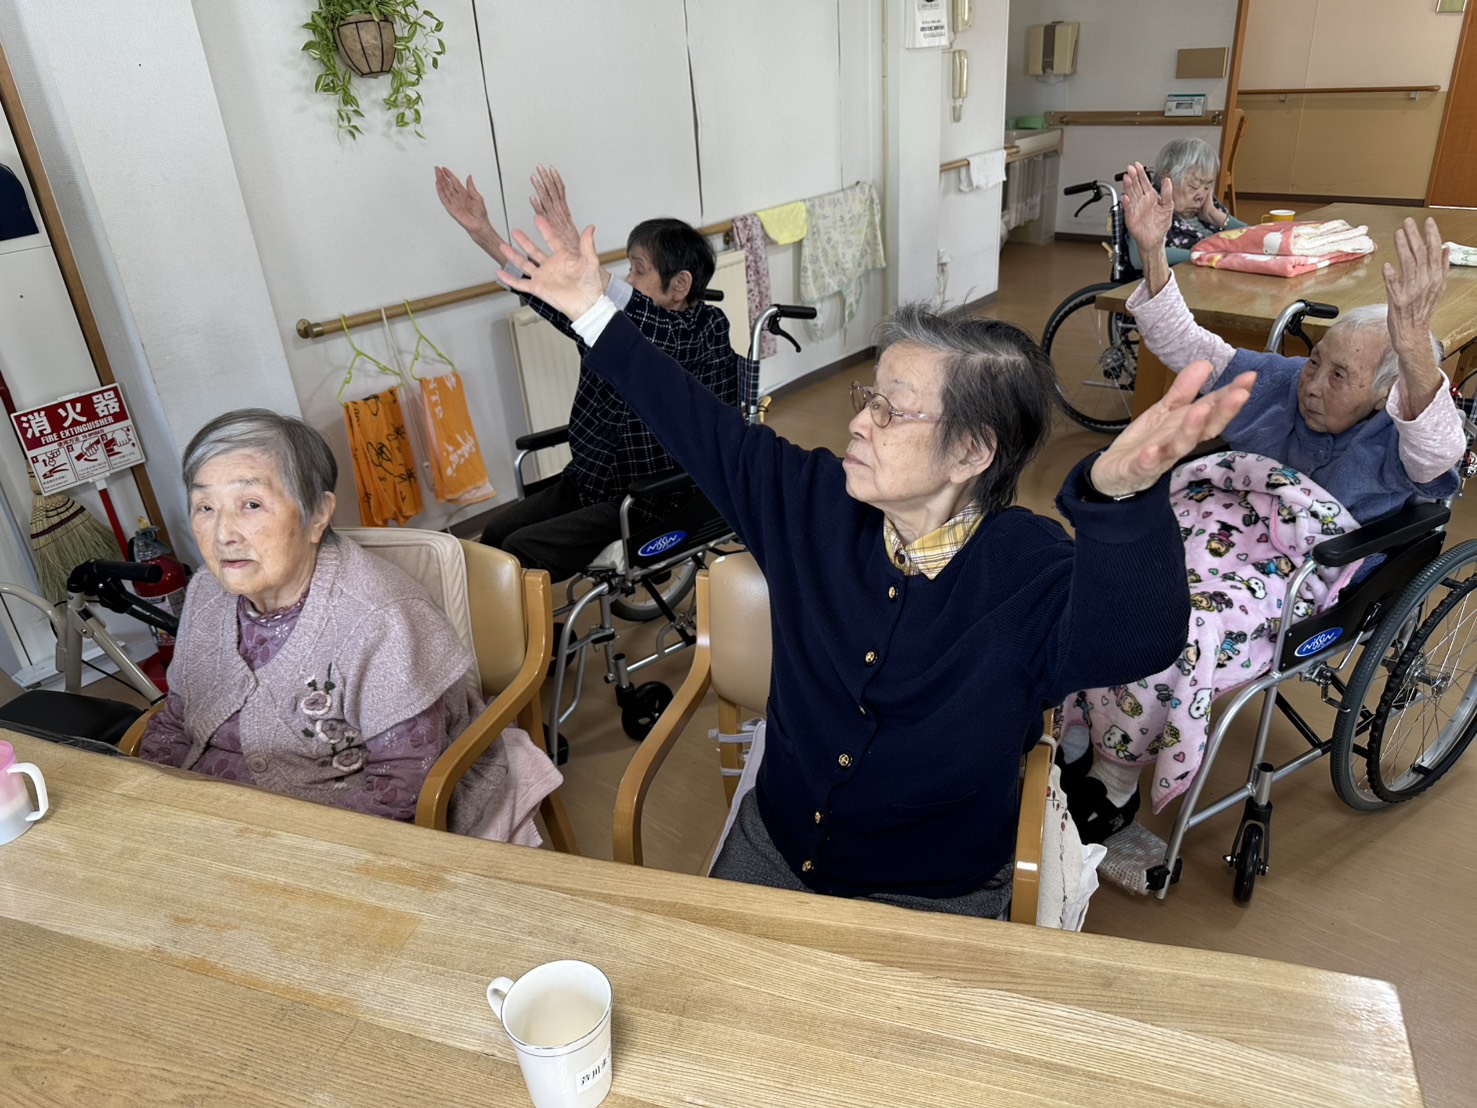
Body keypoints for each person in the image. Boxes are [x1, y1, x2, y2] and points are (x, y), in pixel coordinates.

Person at [490, 211, 1255, 918]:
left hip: (931, 891)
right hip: (775, 845)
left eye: (889, 409)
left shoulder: (1028, 568)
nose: (858, 421)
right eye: (867, 397)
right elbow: (696, 422)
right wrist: (591, 309)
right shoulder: (812, 504)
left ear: (970, 451)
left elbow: (1137, 640)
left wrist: (1121, 500)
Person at [1056, 163, 1466, 869]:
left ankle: (1114, 779)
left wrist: (1411, 346)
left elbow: (1440, 447)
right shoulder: (1282, 381)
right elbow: (1188, 347)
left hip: (1297, 565)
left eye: (1339, 376)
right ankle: (1073, 731)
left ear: (1384, 394)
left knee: (1173, 625)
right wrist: (1152, 252)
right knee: (1098, 573)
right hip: (1214, 516)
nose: (1312, 383)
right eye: (1317, 362)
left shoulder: (1401, 440)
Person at [138, 409, 559, 842]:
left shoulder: (383, 618)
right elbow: (177, 720)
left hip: (327, 826)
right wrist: (146, 799)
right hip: (215, 820)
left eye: (251, 505)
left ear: (317, 514)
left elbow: (401, 785)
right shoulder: (206, 591)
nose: (224, 534)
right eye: (205, 507)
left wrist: (274, 842)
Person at [435, 164, 748, 582]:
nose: (627, 279)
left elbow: (658, 329)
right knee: (495, 535)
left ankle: (523, 627)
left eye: (638, 270)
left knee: (521, 551)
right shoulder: (612, 325)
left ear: (680, 285)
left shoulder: (704, 331)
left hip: (650, 498)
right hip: (593, 480)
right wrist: (483, 233)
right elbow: (551, 296)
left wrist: (579, 262)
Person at [1127, 137, 1248, 270]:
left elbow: (1258, 241)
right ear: (1167, 178)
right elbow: (1139, 257)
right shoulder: (1148, 204)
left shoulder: (1209, 204)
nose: (1201, 195)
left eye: (1207, 186)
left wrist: (1215, 216)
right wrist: (1206, 256)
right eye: (1193, 185)